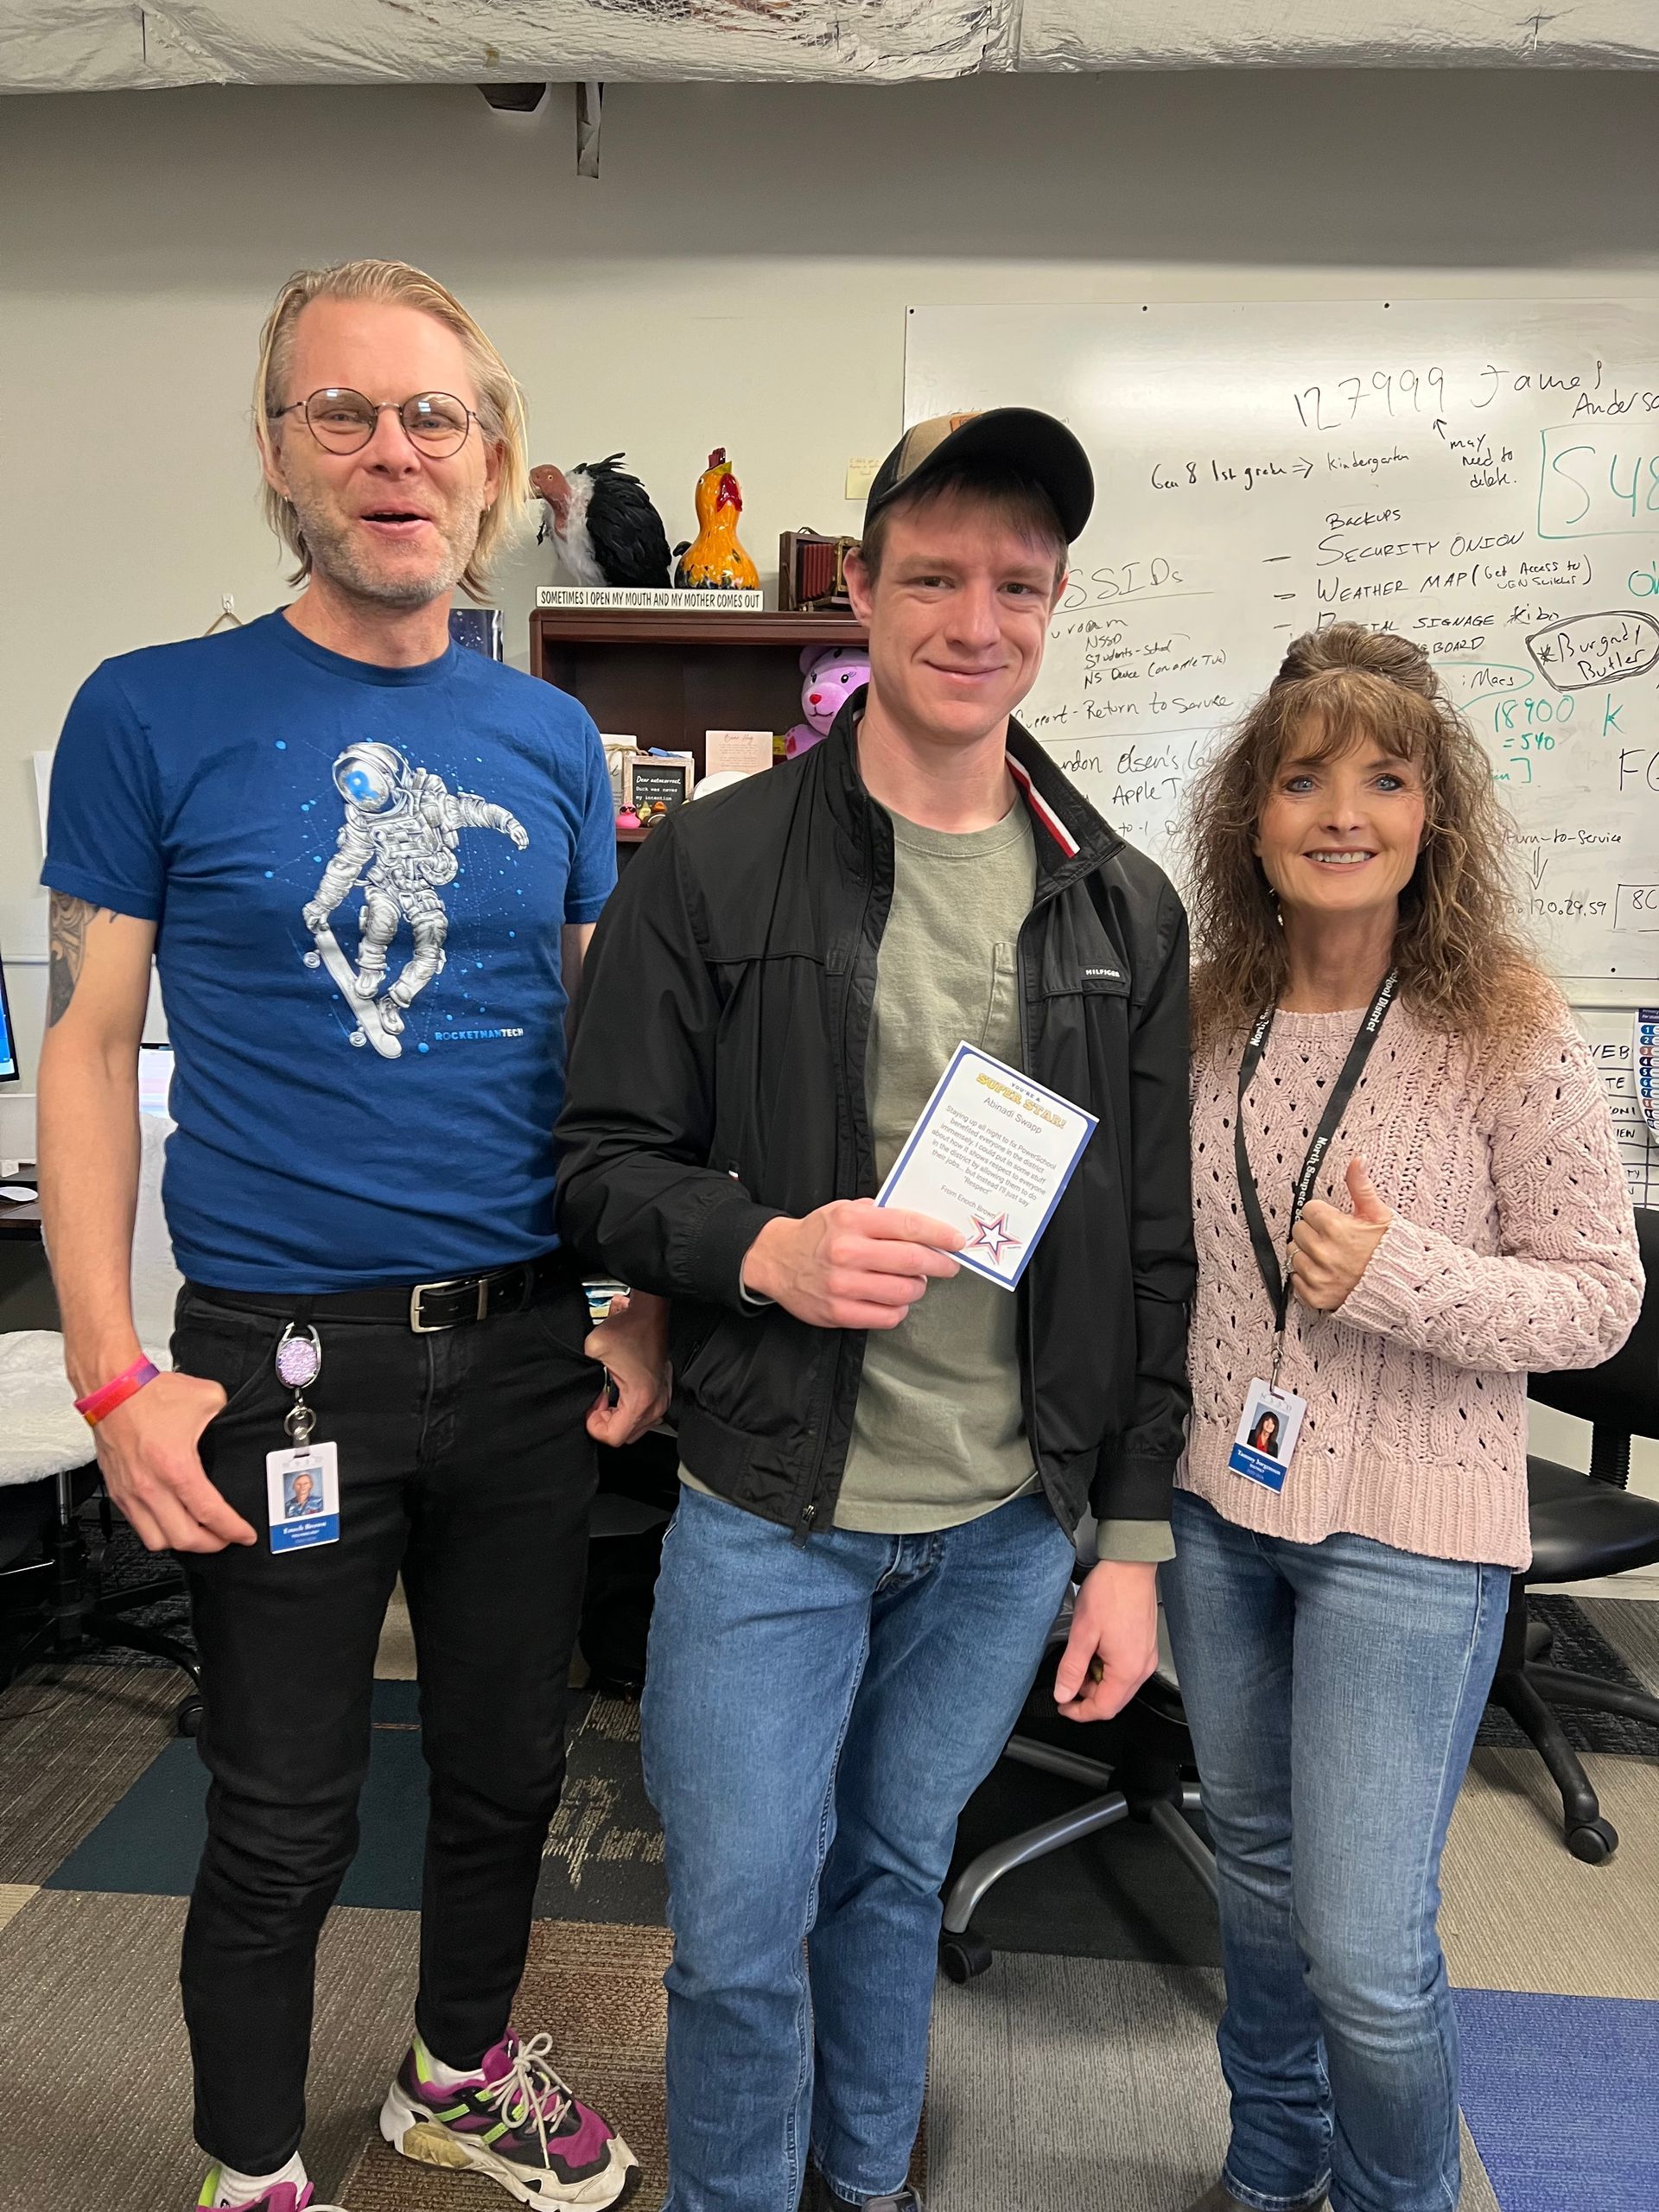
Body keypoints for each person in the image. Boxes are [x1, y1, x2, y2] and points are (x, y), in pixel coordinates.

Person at [37, 258, 666, 2212]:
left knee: (501, 1769)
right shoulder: (151, 712)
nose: (394, 452)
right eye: (345, 412)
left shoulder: (549, 742)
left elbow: (602, 1049)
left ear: (494, 467)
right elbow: (82, 1046)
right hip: (273, 1359)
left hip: (522, 1345)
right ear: (277, 451)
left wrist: (633, 1295)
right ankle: (249, 2166)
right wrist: (114, 1372)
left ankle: (456, 2074)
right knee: (284, 1805)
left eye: (435, 418)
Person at [555, 408, 1196, 2212]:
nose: (974, 616)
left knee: (893, 1879)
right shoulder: (713, 861)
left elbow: (1152, 1252)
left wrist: (1129, 1542)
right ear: (864, 586)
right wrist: (762, 1252)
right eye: (934, 573)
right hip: (771, 1503)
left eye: (1018, 582)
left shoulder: (1120, 907)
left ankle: (863, 2183)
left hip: (1003, 1521)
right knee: (742, 1927)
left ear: (1053, 604)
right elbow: (599, 1161)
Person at [1163, 625, 1643, 2212]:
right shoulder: (1209, 1007)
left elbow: (1597, 1299)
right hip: (1221, 1511)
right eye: (1303, 777)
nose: (1342, 810)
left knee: (1366, 1947)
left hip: (1413, 1536)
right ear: (1253, 814)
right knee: (1253, 1887)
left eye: (1385, 777)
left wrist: (1399, 1274)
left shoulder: (1502, 1017)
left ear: (1437, 813)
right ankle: (1271, 2165)